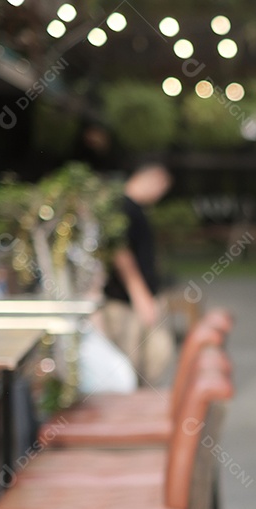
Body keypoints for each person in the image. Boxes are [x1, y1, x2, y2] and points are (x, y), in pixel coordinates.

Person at [99, 163, 175, 385]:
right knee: (129, 361)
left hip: (138, 297)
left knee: (151, 356)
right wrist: (139, 293)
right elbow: (120, 251)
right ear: (156, 180)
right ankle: (129, 409)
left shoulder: (134, 207)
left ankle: (138, 402)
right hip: (125, 301)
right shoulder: (122, 207)